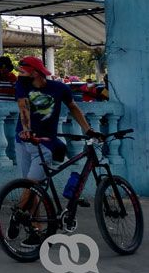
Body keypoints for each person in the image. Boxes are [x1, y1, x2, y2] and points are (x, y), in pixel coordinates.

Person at [12, 56, 99, 247]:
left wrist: (88, 129)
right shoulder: (22, 85)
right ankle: (35, 230)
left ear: (35, 72)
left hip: (46, 144)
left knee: (32, 185)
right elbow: (23, 107)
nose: (19, 74)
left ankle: (17, 215)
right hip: (23, 142)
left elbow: (74, 108)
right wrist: (26, 130)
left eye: (23, 70)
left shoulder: (59, 88)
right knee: (32, 188)